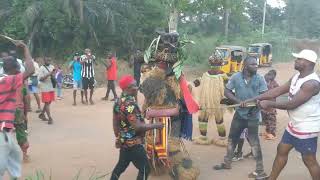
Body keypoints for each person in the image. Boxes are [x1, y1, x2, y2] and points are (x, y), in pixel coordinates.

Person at [254, 49, 320, 180]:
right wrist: (255, 98)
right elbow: (277, 91)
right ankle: (271, 178)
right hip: (295, 124)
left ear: (308, 63)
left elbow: (292, 104)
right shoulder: (296, 77)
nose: (295, 61)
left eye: (299, 59)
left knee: (309, 160)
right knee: (281, 150)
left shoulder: (312, 83)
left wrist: (269, 104)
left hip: (306, 127)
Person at [214, 56, 268, 179]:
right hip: (239, 114)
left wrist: (251, 103)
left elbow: (263, 95)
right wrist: (238, 100)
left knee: (255, 143)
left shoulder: (260, 79)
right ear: (245, 65)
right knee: (232, 139)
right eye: (253, 64)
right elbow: (226, 91)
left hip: (253, 115)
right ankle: (227, 163)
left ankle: (260, 170)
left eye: (256, 64)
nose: (256, 66)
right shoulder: (235, 77)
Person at [110, 75, 164, 180]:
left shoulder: (118, 101)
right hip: (134, 144)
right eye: (135, 85)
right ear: (128, 88)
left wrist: (121, 138)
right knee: (145, 169)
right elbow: (138, 127)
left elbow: (115, 124)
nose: (137, 88)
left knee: (119, 168)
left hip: (125, 143)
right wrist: (157, 125)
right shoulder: (130, 104)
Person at [0, 41, 34, 179]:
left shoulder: (3, 79)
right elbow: (31, 70)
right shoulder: (9, 81)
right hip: (2, 130)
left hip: (6, 129)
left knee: (15, 155)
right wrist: (25, 49)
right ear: (16, 69)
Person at [261, 70, 279, 140]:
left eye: (271, 75)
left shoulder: (274, 83)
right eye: (268, 74)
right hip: (264, 106)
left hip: (271, 106)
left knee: (271, 120)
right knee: (266, 120)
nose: (269, 76)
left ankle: (272, 134)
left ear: (274, 76)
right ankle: (267, 132)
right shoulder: (263, 81)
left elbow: (278, 91)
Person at [38, 57, 56, 124]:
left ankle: (42, 114)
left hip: (51, 86)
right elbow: (40, 79)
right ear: (44, 61)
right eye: (47, 60)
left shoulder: (52, 67)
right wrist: (49, 74)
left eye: (49, 60)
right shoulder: (41, 68)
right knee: (47, 102)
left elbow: (53, 75)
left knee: (49, 102)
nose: (48, 61)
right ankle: (50, 118)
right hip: (45, 87)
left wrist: (53, 74)